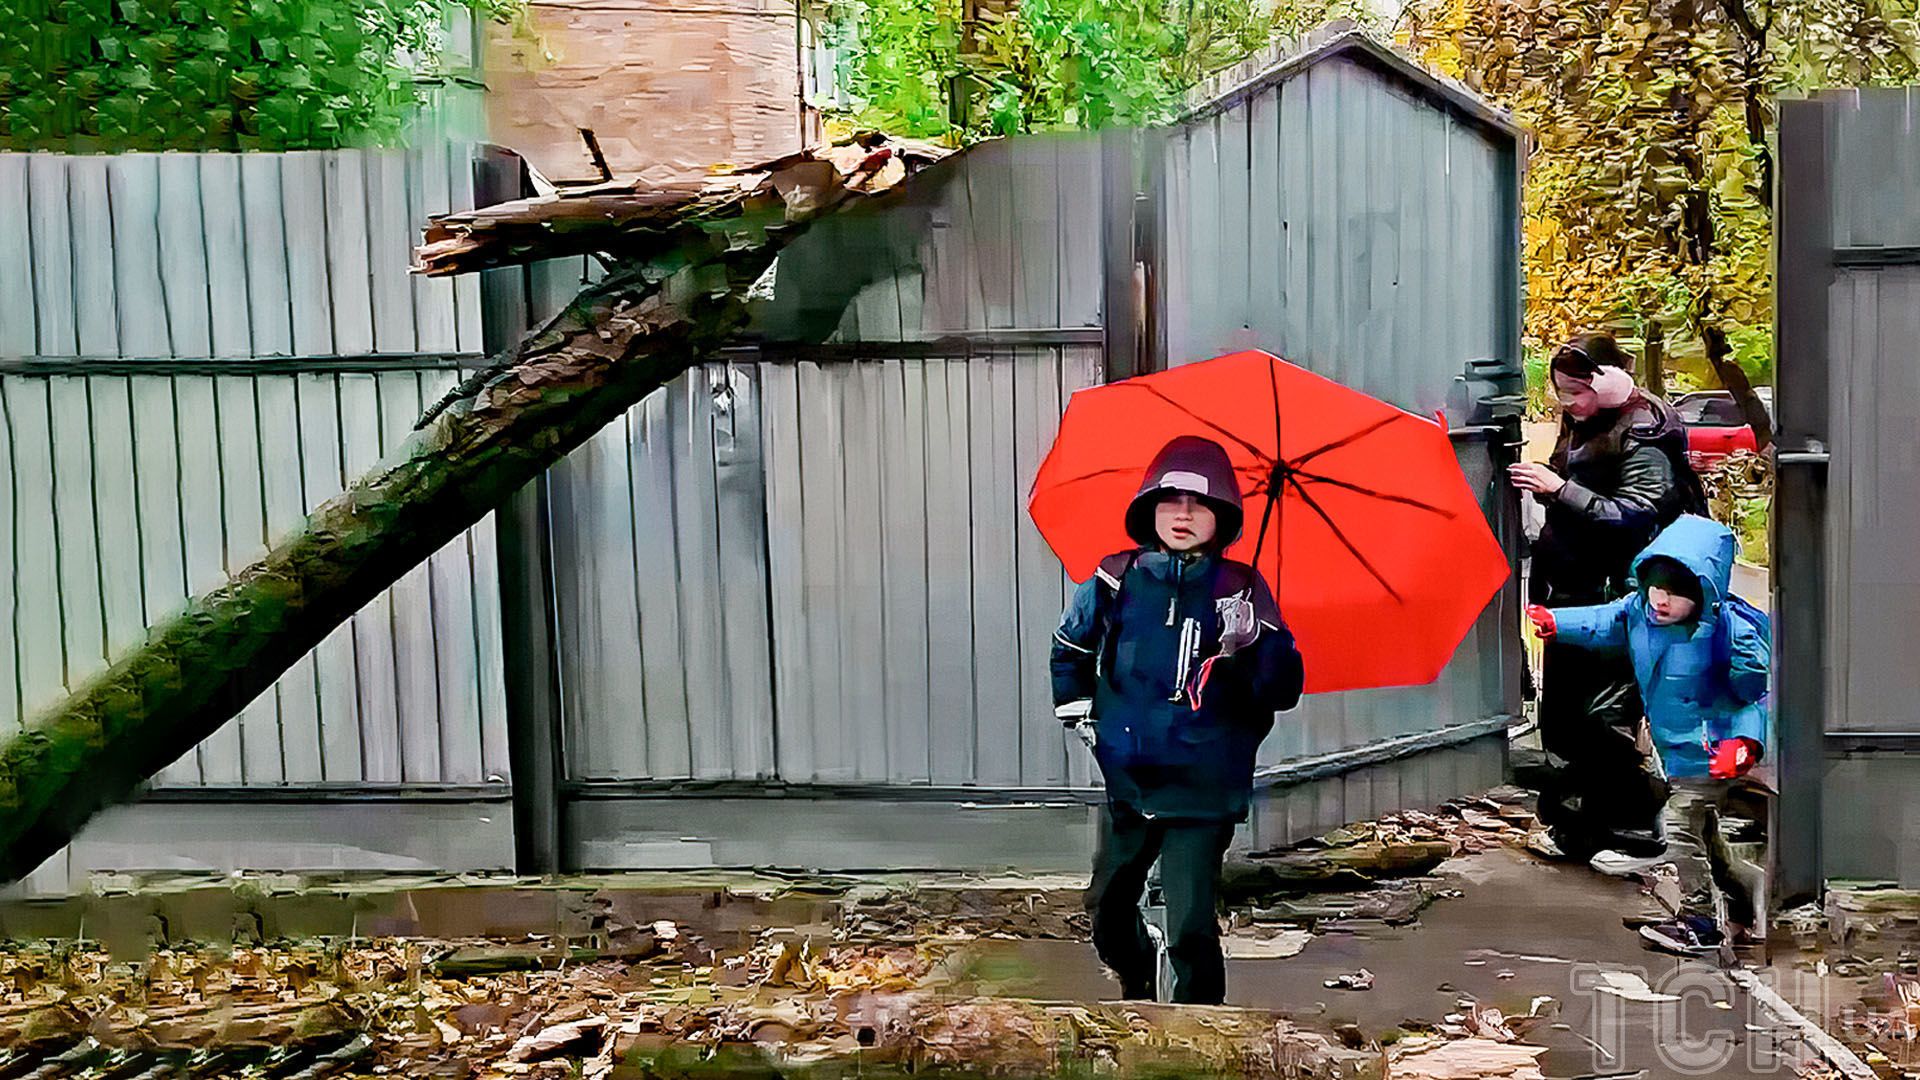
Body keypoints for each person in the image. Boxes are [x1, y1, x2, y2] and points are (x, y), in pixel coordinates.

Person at [1050, 435, 1305, 1004]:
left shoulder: (1242, 589)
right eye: (1171, 502)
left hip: (1203, 787)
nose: (1184, 516)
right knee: (1107, 908)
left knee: (1191, 925)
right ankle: (1139, 973)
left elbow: (1283, 689)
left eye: (1199, 504)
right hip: (1130, 781)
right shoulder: (1117, 578)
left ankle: (1202, 1032)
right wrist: (1084, 716)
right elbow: (1069, 647)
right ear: (1149, 509)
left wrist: (1253, 643)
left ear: (1223, 517)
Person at [1526, 514, 1769, 956]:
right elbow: (1605, 621)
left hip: (1709, 755)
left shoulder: (1723, 637)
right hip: (1675, 754)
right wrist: (1557, 623)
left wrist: (1743, 743)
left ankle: (1697, 922)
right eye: (1656, 588)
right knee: (1708, 839)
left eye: (1675, 594)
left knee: (1677, 828)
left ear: (1703, 592)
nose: (1661, 601)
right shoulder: (1639, 612)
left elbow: (1747, 701)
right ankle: (1750, 901)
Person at [1510, 334, 1708, 861]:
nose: (1570, 402)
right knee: (1565, 717)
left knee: (1604, 717)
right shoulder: (1589, 421)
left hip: (1620, 595)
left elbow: (1637, 514)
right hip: (1576, 591)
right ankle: (1577, 828)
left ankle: (1633, 827)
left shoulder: (1644, 428)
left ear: (1610, 380)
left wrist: (1558, 490)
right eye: (1562, 393)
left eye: (1579, 390)